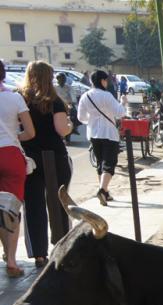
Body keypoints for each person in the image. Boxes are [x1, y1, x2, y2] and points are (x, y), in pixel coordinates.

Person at [19, 61, 73, 268]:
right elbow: (61, 130)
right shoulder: (54, 101)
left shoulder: (21, 99)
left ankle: (39, 254)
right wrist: (70, 125)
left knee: (33, 206)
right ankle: (61, 246)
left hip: (29, 158)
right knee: (59, 203)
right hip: (55, 156)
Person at [0, 60, 36, 277]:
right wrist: (14, 137)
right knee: (10, 210)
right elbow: (30, 132)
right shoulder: (14, 98)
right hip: (11, 154)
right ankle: (12, 261)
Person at [77, 70, 126, 206]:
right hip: (109, 133)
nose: (107, 83)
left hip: (93, 133)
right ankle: (103, 190)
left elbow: (81, 117)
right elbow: (120, 112)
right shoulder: (106, 96)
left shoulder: (85, 96)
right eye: (106, 80)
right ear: (102, 81)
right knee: (109, 163)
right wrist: (123, 102)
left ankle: (105, 191)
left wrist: (91, 120)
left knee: (100, 162)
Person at [55, 73, 76, 143]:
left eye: (64, 79)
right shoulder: (54, 87)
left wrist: (72, 102)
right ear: (57, 79)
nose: (62, 80)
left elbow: (73, 97)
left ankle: (74, 128)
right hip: (56, 106)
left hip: (67, 106)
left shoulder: (69, 87)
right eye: (60, 79)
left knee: (74, 116)